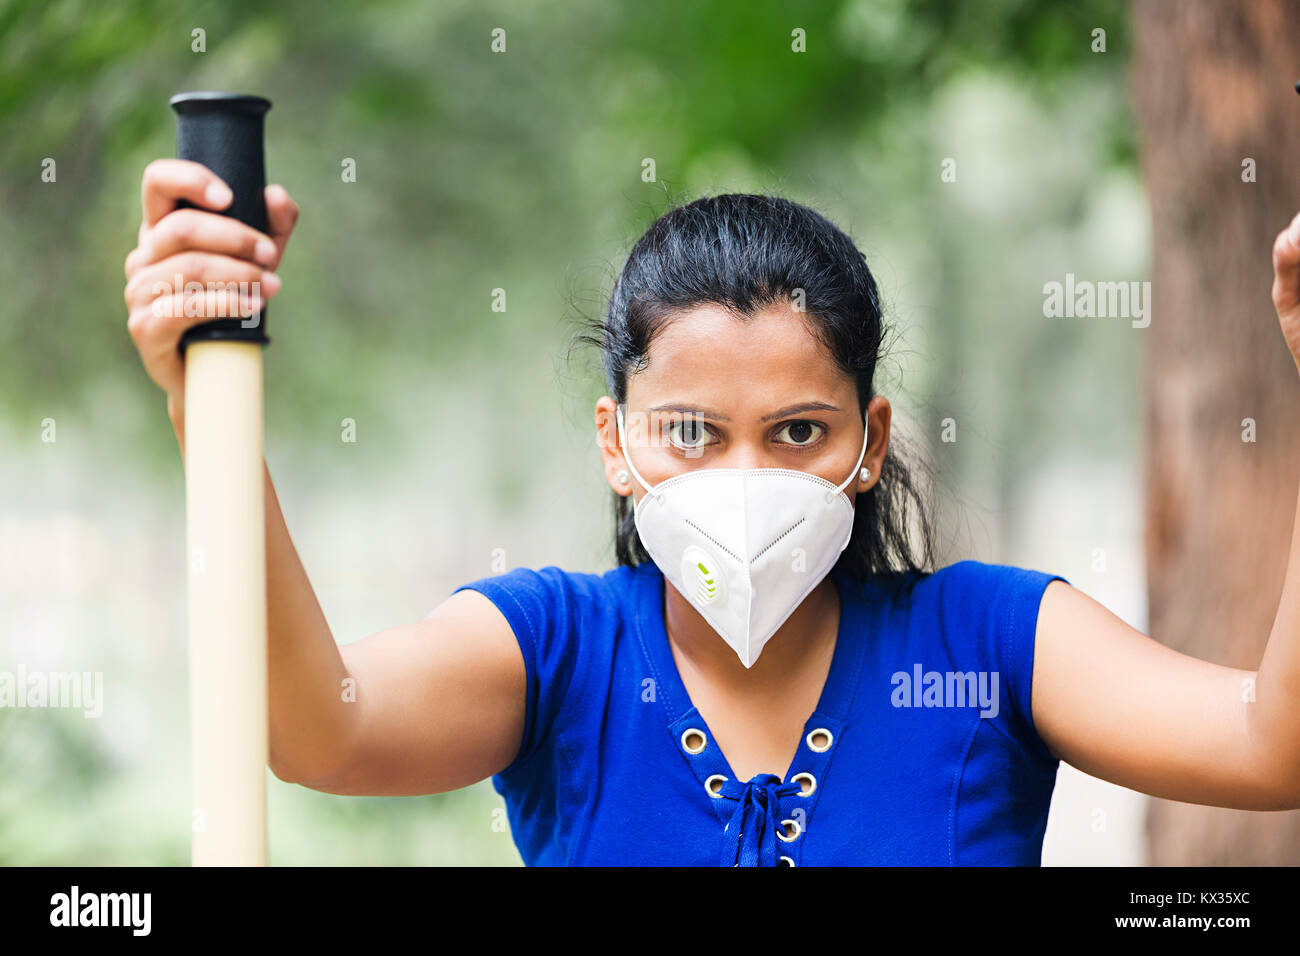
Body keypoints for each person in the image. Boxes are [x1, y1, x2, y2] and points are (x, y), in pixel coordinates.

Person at [123, 161, 1300, 865]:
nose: (744, 475)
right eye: (690, 430)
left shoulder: (991, 642)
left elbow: (1270, 743)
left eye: (797, 431)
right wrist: (201, 397)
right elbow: (316, 731)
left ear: (869, 441)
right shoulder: (555, 653)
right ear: (616, 442)